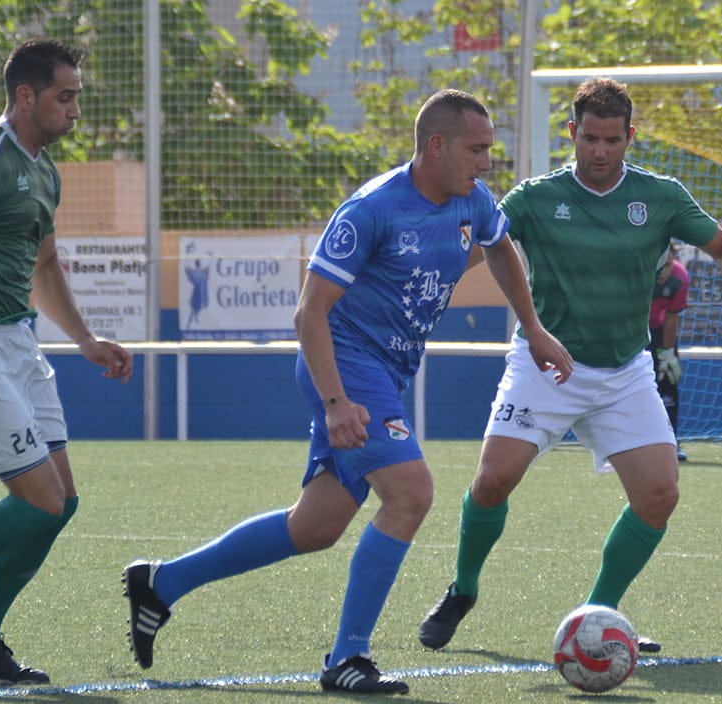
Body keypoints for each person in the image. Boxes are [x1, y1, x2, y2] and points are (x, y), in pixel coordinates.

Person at [122, 89, 571, 696]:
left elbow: (498, 249)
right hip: (343, 366)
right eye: (478, 148)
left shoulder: (474, 200)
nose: (487, 162)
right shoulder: (371, 209)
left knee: (317, 526)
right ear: (436, 145)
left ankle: (162, 584)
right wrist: (336, 403)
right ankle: (347, 658)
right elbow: (309, 313)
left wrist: (535, 328)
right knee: (411, 495)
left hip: (386, 375)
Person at [418, 77, 722, 654]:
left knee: (660, 495)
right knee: (491, 482)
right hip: (547, 364)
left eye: (613, 140)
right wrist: (417, 279)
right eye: (590, 138)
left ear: (629, 137)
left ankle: (600, 615)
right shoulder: (535, 197)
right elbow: (473, 250)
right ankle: (462, 590)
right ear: (573, 133)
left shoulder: (660, 196)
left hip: (624, 371)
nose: (600, 151)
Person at [0, 38, 133, 684]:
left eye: (77, 98)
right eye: (65, 97)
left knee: (61, 504)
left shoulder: (44, 169)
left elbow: (43, 266)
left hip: (17, 342)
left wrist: (86, 339)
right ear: (26, 96)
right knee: (39, 500)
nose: (75, 110)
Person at [647, 244, 689, 462]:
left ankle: (671, 441)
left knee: (668, 382)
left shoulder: (680, 278)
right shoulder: (639, 273)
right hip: (631, 330)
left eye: (669, 265)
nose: (664, 272)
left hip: (660, 331)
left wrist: (666, 353)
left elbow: (672, 319)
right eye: (660, 267)